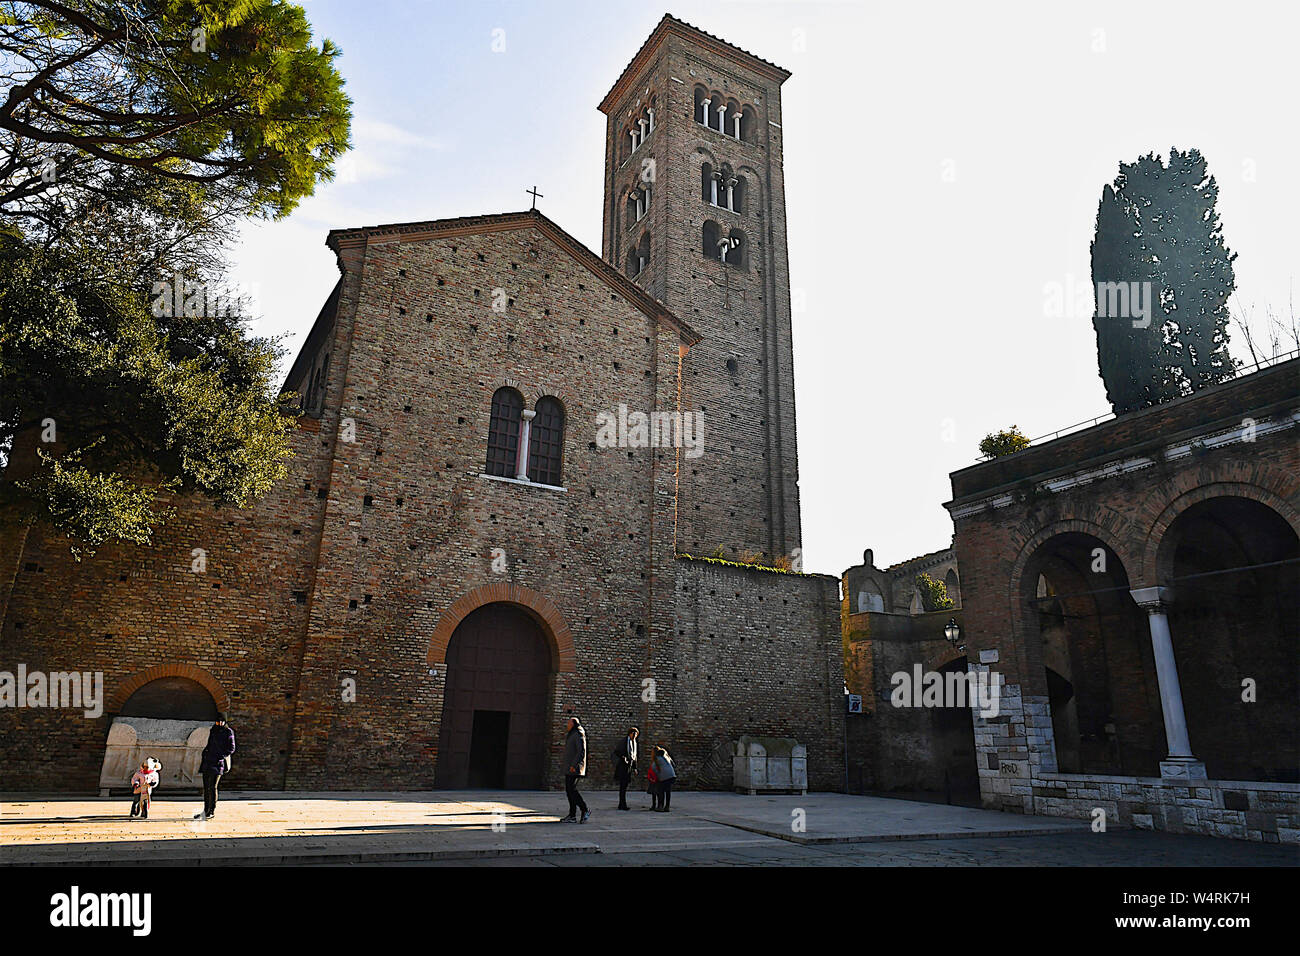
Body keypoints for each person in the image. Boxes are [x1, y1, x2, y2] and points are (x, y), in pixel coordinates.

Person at [199, 713, 236, 820]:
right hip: (208, 761)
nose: (219, 723)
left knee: (213, 787)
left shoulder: (228, 732)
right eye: (217, 721)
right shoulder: (213, 730)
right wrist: (205, 753)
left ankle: (211, 810)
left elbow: (231, 748)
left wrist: (221, 755)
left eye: (221, 721)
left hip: (218, 762)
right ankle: (205, 810)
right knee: (206, 787)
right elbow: (210, 743)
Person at [560, 715, 589, 823]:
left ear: (573, 724)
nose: (567, 725)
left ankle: (585, 809)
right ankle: (572, 815)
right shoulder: (572, 734)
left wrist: (574, 765)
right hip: (570, 767)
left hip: (574, 768)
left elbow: (581, 751)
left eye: (568, 723)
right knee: (569, 790)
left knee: (572, 790)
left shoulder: (578, 734)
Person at [611, 726, 638, 811]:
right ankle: (622, 804)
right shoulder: (624, 742)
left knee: (624, 786)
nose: (634, 736)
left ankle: (622, 804)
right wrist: (624, 758)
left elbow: (634, 756)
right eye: (633, 734)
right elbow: (617, 752)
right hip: (623, 766)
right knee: (623, 786)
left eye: (636, 735)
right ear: (630, 733)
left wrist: (635, 767)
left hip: (628, 766)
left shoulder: (634, 743)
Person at [652, 746, 676, 812]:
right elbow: (673, 764)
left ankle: (660, 806)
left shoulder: (657, 759)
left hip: (664, 777)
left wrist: (659, 775)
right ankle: (667, 807)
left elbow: (653, 768)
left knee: (661, 791)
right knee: (668, 791)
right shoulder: (667, 756)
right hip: (672, 775)